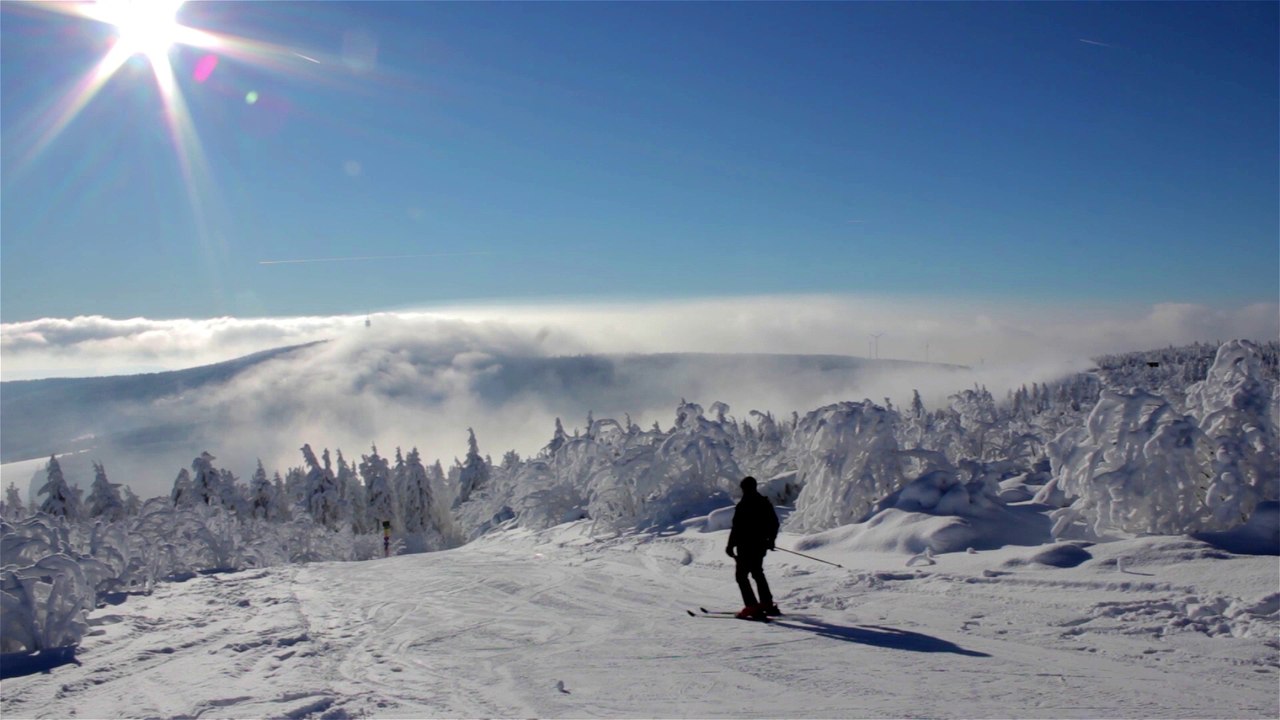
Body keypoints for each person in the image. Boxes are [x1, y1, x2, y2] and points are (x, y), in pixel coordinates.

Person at [725, 476, 781, 619]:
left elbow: (737, 527)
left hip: (745, 546)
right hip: (760, 545)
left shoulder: (743, 505)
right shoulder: (764, 502)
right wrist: (771, 540)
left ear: (744, 488)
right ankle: (767, 604)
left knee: (741, 576)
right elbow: (774, 523)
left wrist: (730, 545)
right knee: (757, 572)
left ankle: (752, 607)